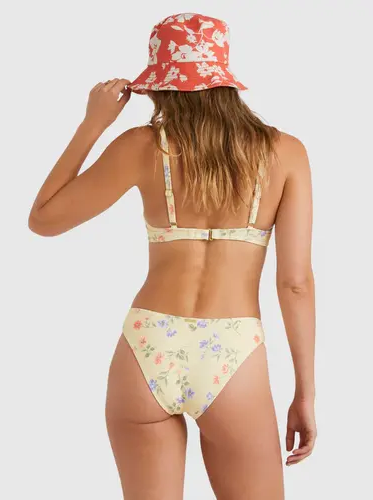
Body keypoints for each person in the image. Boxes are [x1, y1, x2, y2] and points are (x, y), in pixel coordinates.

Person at [28, 12, 316, 500]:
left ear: (160, 85)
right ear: (224, 79)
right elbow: (295, 283)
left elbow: (44, 218)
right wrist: (305, 393)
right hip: (233, 353)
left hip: (148, 345)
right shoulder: (286, 153)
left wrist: (93, 124)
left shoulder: (142, 146)